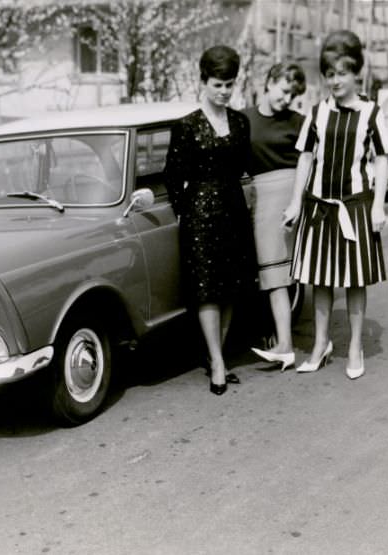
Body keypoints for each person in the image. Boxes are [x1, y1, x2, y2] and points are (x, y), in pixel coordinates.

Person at [282, 30, 388, 379]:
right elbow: (305, 159)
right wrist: (295, 203)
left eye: (342, 73)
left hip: (356, 206)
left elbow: (383, 161)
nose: (335, 80)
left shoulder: (372, 114)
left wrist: (378, 206)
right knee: (320, 280)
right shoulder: (317, 113)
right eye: (329, 74)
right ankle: (320, 344)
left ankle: (355, 346)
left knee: (354, 280)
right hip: (319, 208)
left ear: (357, 72)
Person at [164, 45, 255, 396]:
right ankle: (217, 361)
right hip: (200, 216)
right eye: (218, 84)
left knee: (230, 286)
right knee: (206, 290)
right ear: (203, 81)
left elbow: (246, 165)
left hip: (233, 209)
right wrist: (186, 211)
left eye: (230, 84)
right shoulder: (186, 127)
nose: (224, 91)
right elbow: (173, 177)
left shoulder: (240, 122)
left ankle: (219, 351)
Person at [241, 62, 307, 372]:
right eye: (283, 91)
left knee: (308, 270)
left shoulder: (299, 121)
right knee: (274, 276)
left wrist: (300, 199)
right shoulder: (244, 119)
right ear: (269, 82)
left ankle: (317, 343)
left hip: (297, 197)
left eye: (292, 95)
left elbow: (313, 161)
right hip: (264, 200)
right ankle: (285, 345)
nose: (287, 99)